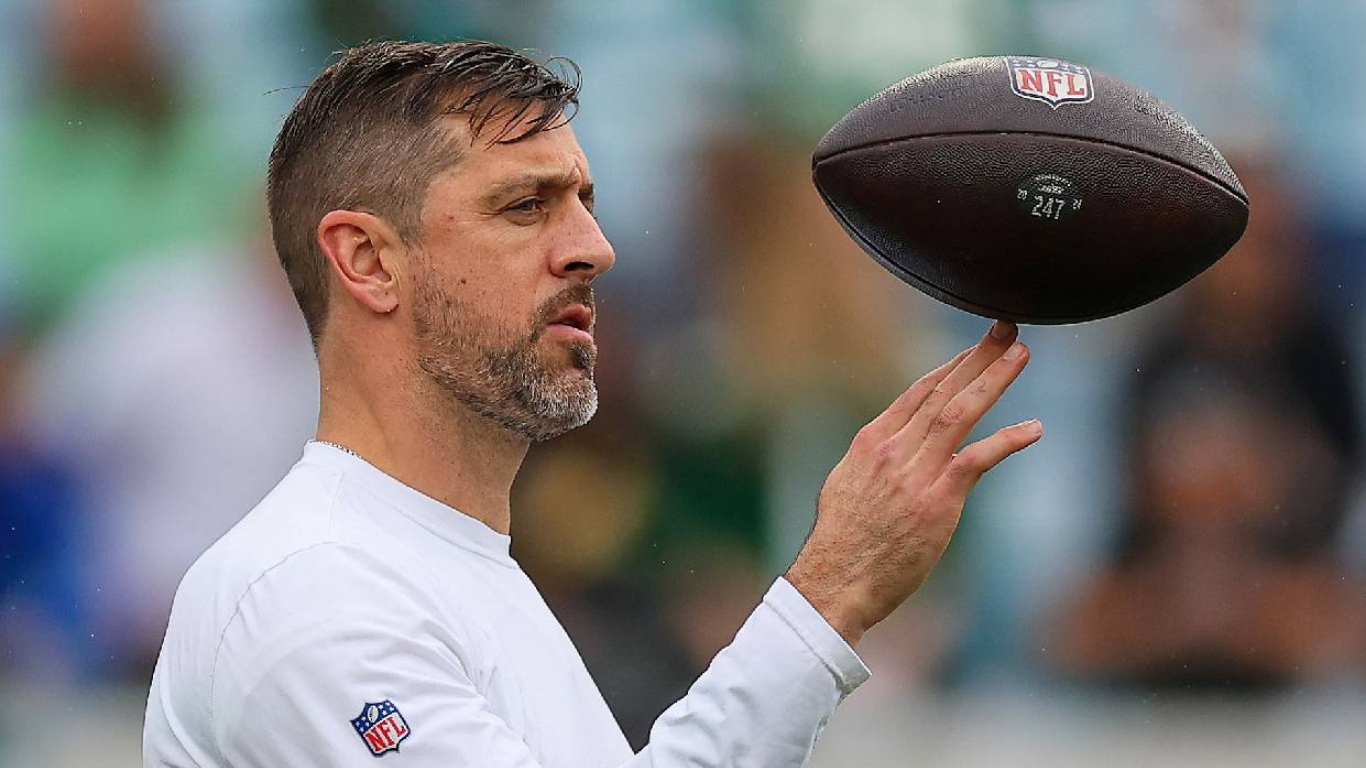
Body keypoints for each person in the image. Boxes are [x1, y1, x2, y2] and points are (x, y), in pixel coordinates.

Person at [143, 40, 1041, 767]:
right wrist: (830, 592)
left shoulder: (452, 569)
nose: (595, 248)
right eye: (524, 207)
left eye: (585, 201)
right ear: (369, 261)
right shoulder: (311, 589)